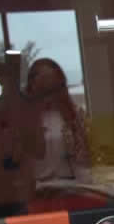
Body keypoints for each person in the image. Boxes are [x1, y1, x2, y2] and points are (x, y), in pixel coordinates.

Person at [26, 58, 90, 193]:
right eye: (43, 90)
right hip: (37, 188)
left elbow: (85, 155)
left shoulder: (74, 113)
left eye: (54, 89)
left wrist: (70, 120)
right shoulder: (25, 117)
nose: (49, 96)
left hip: (70, 186)